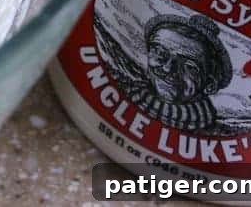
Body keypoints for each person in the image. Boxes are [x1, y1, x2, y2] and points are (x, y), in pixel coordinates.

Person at [95, 13, 233, 131]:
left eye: (188, 66)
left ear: (210, 84)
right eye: (160, 53)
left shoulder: (213, 131)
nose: (168, 68)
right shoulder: (126, 91)